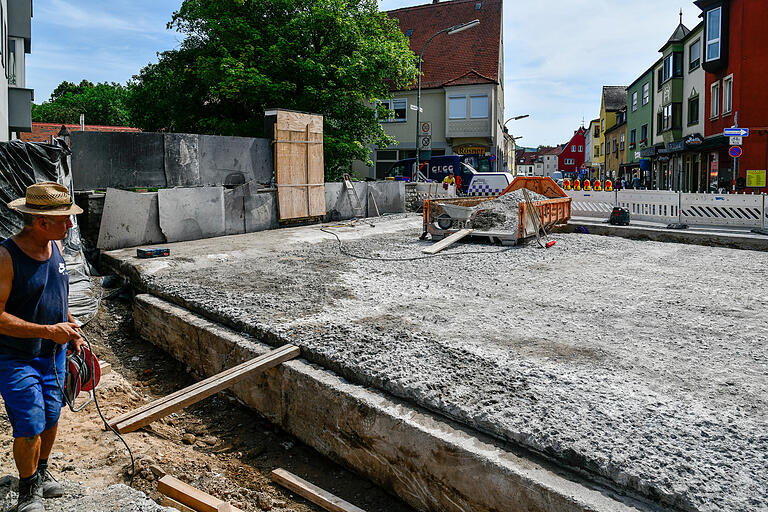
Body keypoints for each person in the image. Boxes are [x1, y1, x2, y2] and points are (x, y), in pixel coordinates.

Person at [0, 182, 84, 512]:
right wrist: (50, 330)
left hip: (52, 356)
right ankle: (27, 491)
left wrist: (71, 328)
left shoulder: (55, 248)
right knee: (29, 424)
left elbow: (56, 300)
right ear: (41, 222)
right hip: (16, 358)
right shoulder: (7, 258)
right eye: (65, 219)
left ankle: (42, 473)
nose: (71, 225)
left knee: (51, 417)